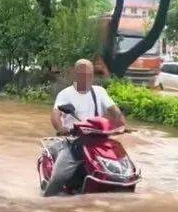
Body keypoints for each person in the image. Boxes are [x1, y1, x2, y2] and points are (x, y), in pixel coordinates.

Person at [44, 58, 126, 197]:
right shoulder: (65, 94)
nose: (87, 78)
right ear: (76, 74)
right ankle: (46, 200)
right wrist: (61, 128)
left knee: (121, 167)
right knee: (58, 177)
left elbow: (114, 111)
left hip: (98, 141)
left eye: (90, 75)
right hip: (74, 141)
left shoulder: (99, 92)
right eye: (83, 75)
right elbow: (55, 115)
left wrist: (123, 125)